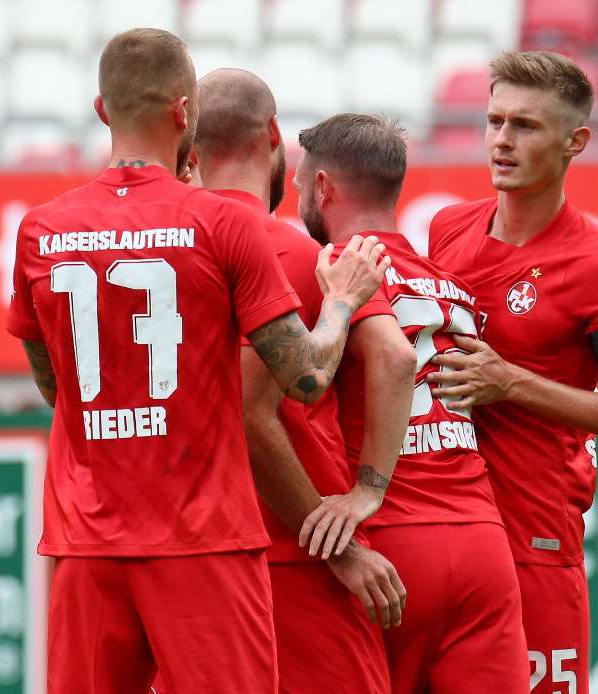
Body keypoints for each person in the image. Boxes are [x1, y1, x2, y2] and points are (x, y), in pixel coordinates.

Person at [5, 28, 389, 693]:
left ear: (103, 110)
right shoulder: (222, 222)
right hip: (202, 539)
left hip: (86, 542)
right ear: (185, 111)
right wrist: (341, 303)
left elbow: (55, 385)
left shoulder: (42, 228)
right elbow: (303, 378)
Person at [425, 51, 598, 694]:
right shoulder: (448, 227)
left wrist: (512, 383)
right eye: (494, 121)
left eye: (525, 127)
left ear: (574, 143)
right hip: (441, 528)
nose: (502, 141)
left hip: (534, 539)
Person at [296, 113, 529, 693]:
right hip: (480, 538)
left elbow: (393, 360)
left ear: (323, 186)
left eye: (302, 184)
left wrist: (368, 488)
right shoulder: (446, 281)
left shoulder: (341, 266)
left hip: (393, 539)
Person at [191, 70, 398, 694]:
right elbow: (393, 358)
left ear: (191, 150)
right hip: (297, 552)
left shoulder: (161, 251)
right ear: (275, 136)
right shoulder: (300, 253)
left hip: (186, 560)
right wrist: (361, 507)